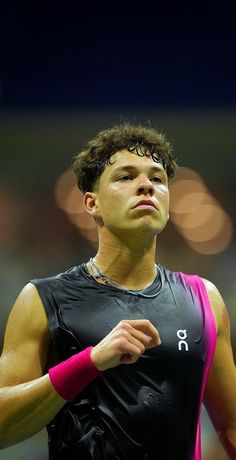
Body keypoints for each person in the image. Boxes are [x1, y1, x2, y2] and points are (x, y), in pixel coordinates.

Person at [0, 123, 235, 460]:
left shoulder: (203, 299)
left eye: (157, 179)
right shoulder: (42, 300)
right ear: (91, 203)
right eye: (125, 177)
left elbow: (230, 428)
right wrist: (89, 362)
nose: (146, 186)